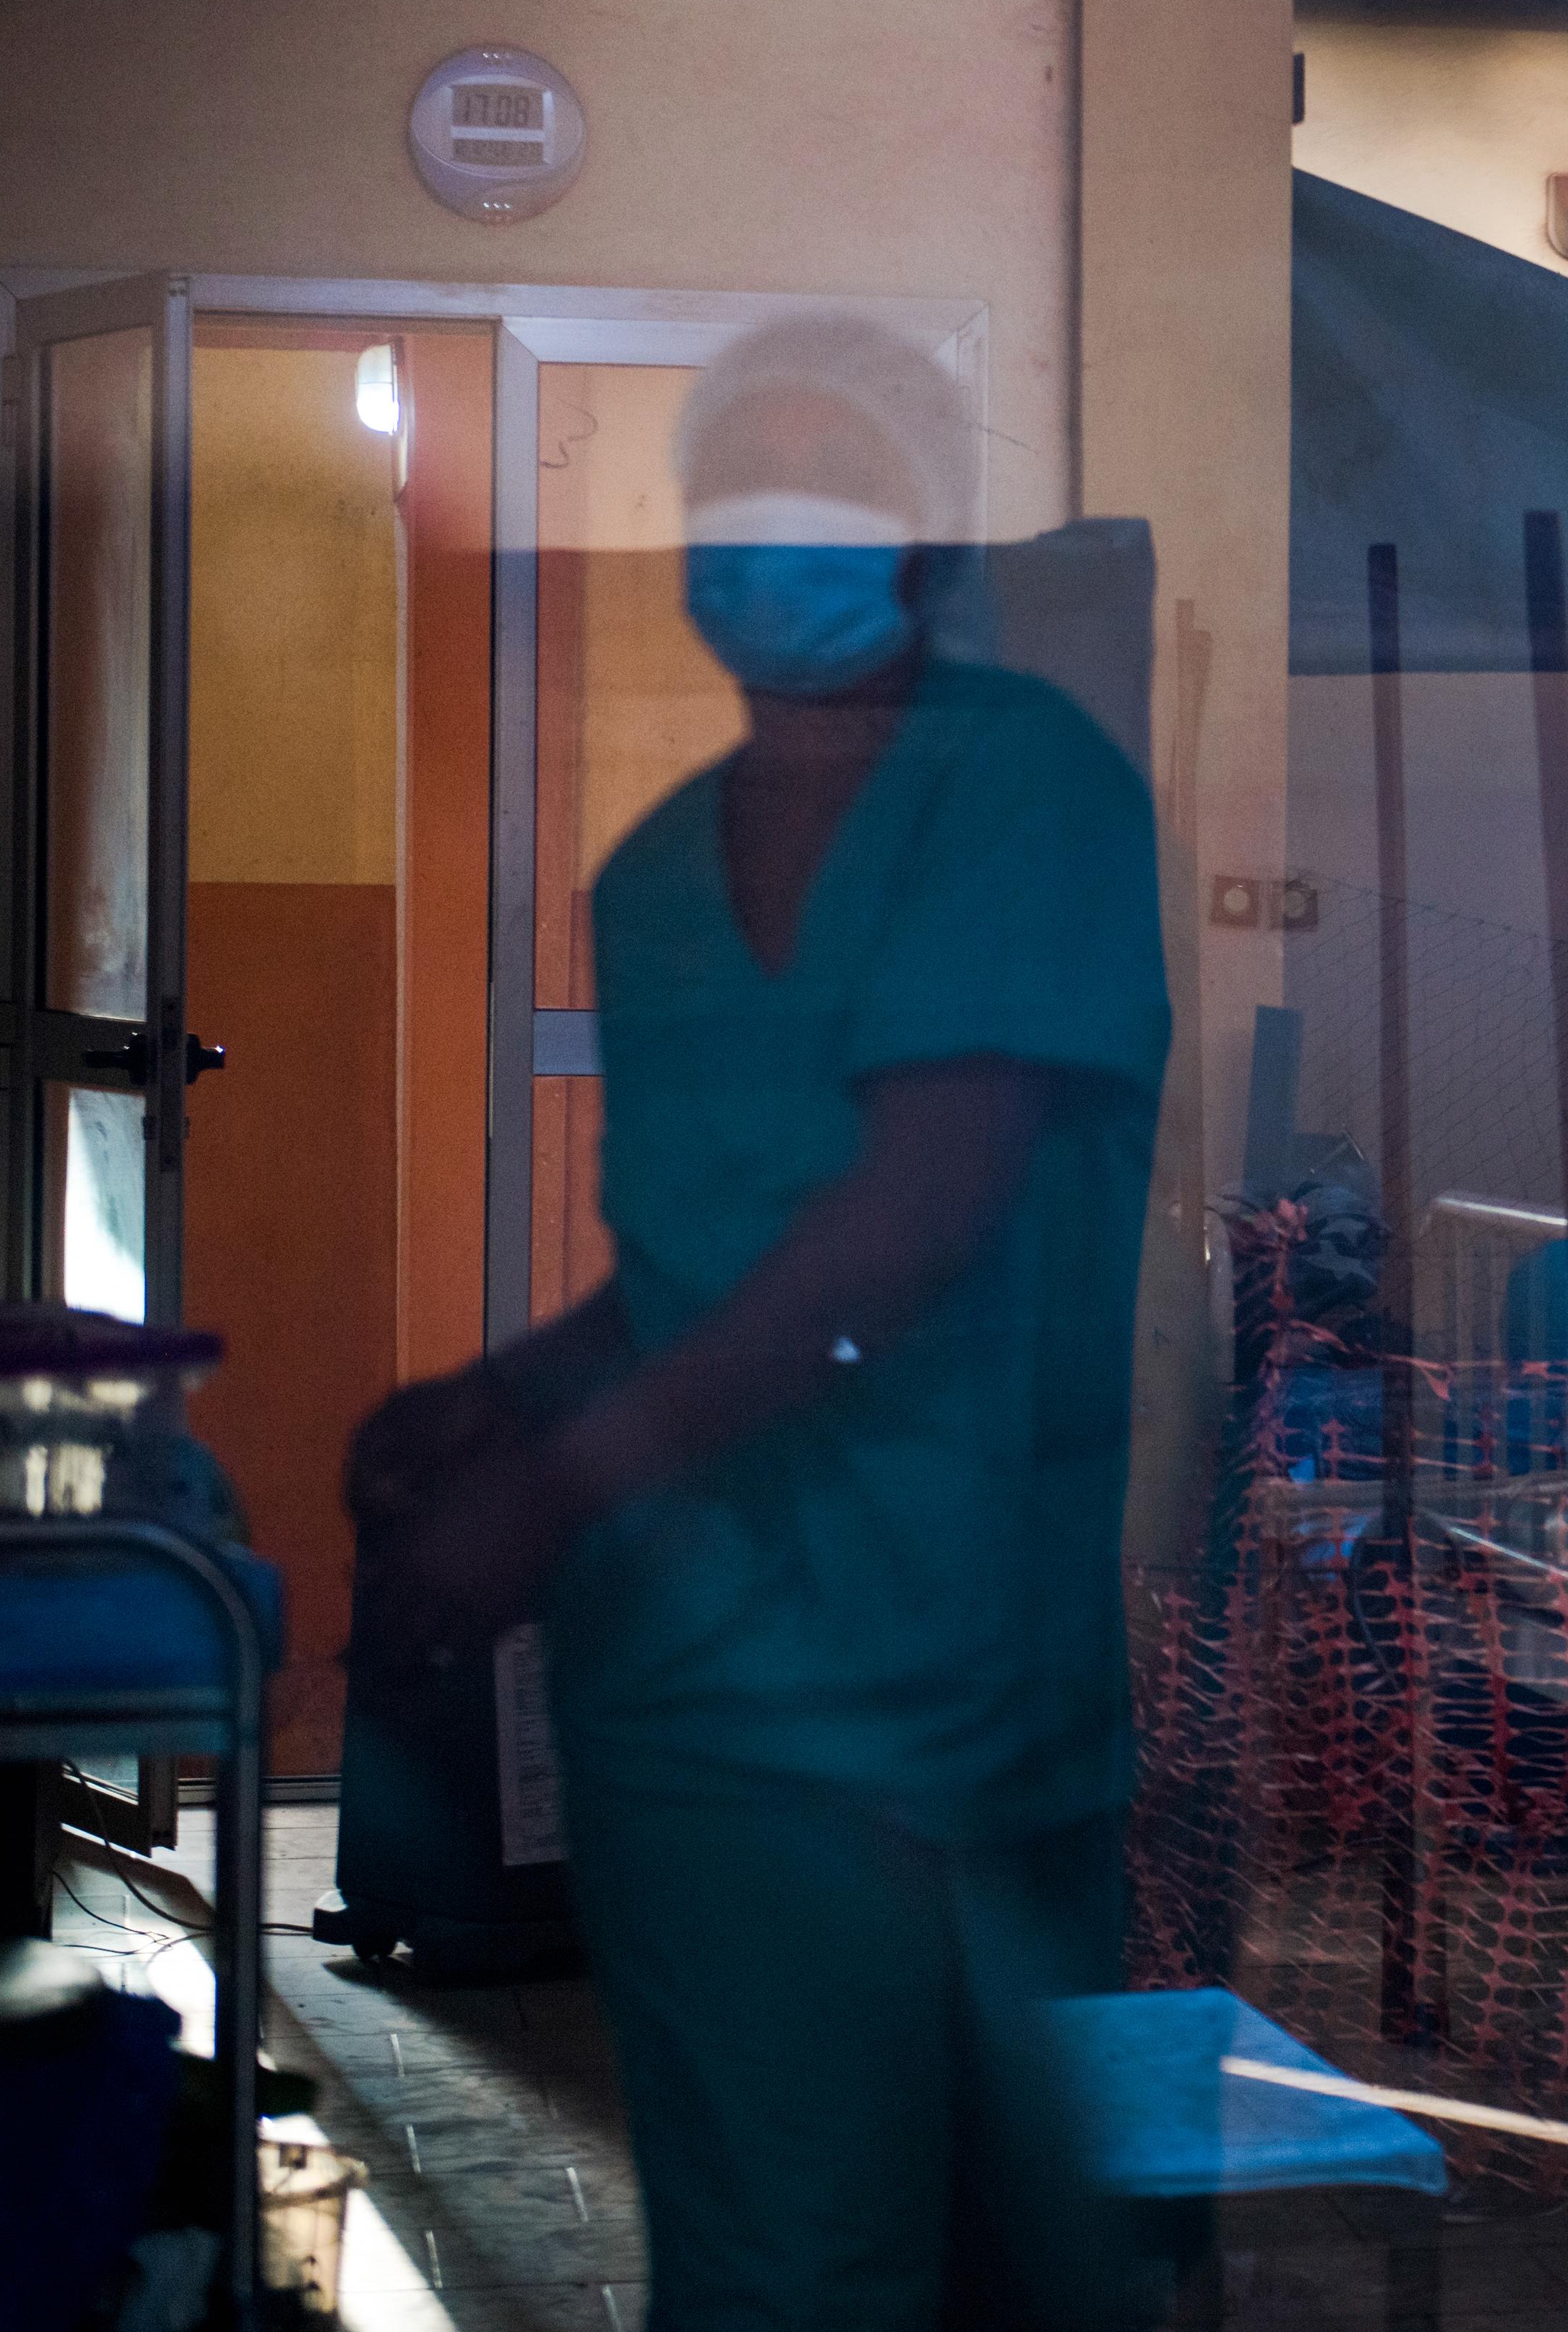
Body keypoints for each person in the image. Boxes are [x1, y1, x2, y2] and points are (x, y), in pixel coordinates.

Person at [345, 315, 1171, 2329]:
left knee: (1034, 2272)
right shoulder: (649, 888)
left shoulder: (1027, 791)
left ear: (915, 534)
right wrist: (495, 1397)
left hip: (968, 1697)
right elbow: (700, 1279)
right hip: (709, 1716)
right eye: (734, 494)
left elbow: (911, 1225)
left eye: (826, 487)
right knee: (781, 2267)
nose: (765, 536)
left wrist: (552, 1493)